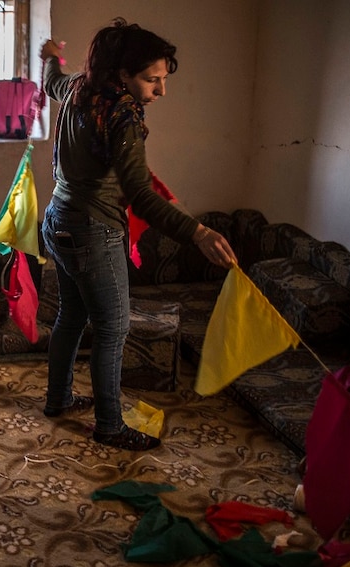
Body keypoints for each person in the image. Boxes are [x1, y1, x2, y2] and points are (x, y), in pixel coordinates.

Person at [38, 19, 237, 451]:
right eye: (152, 80)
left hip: (57, 220)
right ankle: (109, 426)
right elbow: (141, 198)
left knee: (71, 317)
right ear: (123, 74)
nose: (160, 91)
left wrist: (50, 54)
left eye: (163, 79)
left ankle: (57, 399)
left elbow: (51, 78)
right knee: (112, 327)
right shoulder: (123, 114)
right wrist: (198, 232)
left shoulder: (77, 87)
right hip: (92, 230)